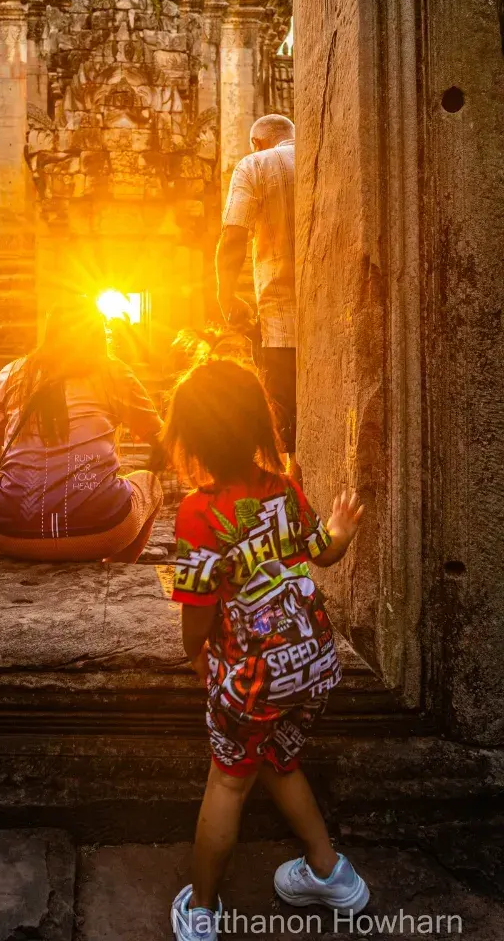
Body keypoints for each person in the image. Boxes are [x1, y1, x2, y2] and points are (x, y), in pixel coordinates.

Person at [162, 357, 368, 941]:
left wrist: (198, 658)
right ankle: (330, 872)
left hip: (256, 677)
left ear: (190, 437)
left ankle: (201, 909)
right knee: (277, 758)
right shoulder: (284, 489)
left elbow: (197, 613)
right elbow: (322, 552)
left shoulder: (198, 512)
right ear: (259, 423)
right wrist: (341, 530)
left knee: (229, 782)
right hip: (317, 661)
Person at [0, 295, 164, 561]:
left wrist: (30, 460)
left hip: (10, 534)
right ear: (98, 332)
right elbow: (162, 439)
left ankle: (20, 562)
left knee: (15, 503)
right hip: (102, 533)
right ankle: (113, 572)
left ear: (50, 331)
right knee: (150, 484)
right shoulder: (114, 374)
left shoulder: (13, 373)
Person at [216, 113, 299, 480]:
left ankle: (291, 489)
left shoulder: (256, 164)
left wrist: (225, 295)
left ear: (257, 143)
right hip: (338, 320)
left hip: (282, 323)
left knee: (286, 427)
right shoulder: (326, 155)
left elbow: (234, 236)